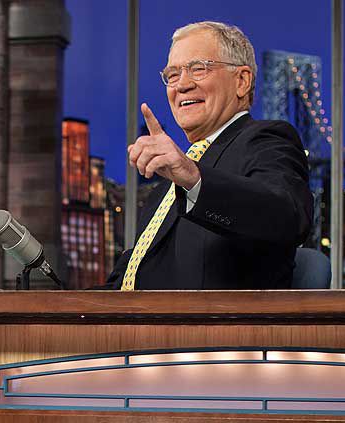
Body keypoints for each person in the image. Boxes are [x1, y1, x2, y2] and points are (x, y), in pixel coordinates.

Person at [106, 21, 313, 290]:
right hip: (142, 318)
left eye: (198, 69)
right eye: (172, 74)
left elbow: (287, 217)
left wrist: (194, 179)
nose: (182, 85)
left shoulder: (267, 140)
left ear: (242, 81)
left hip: (219, 318)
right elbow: (123, 286)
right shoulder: (165, 191)